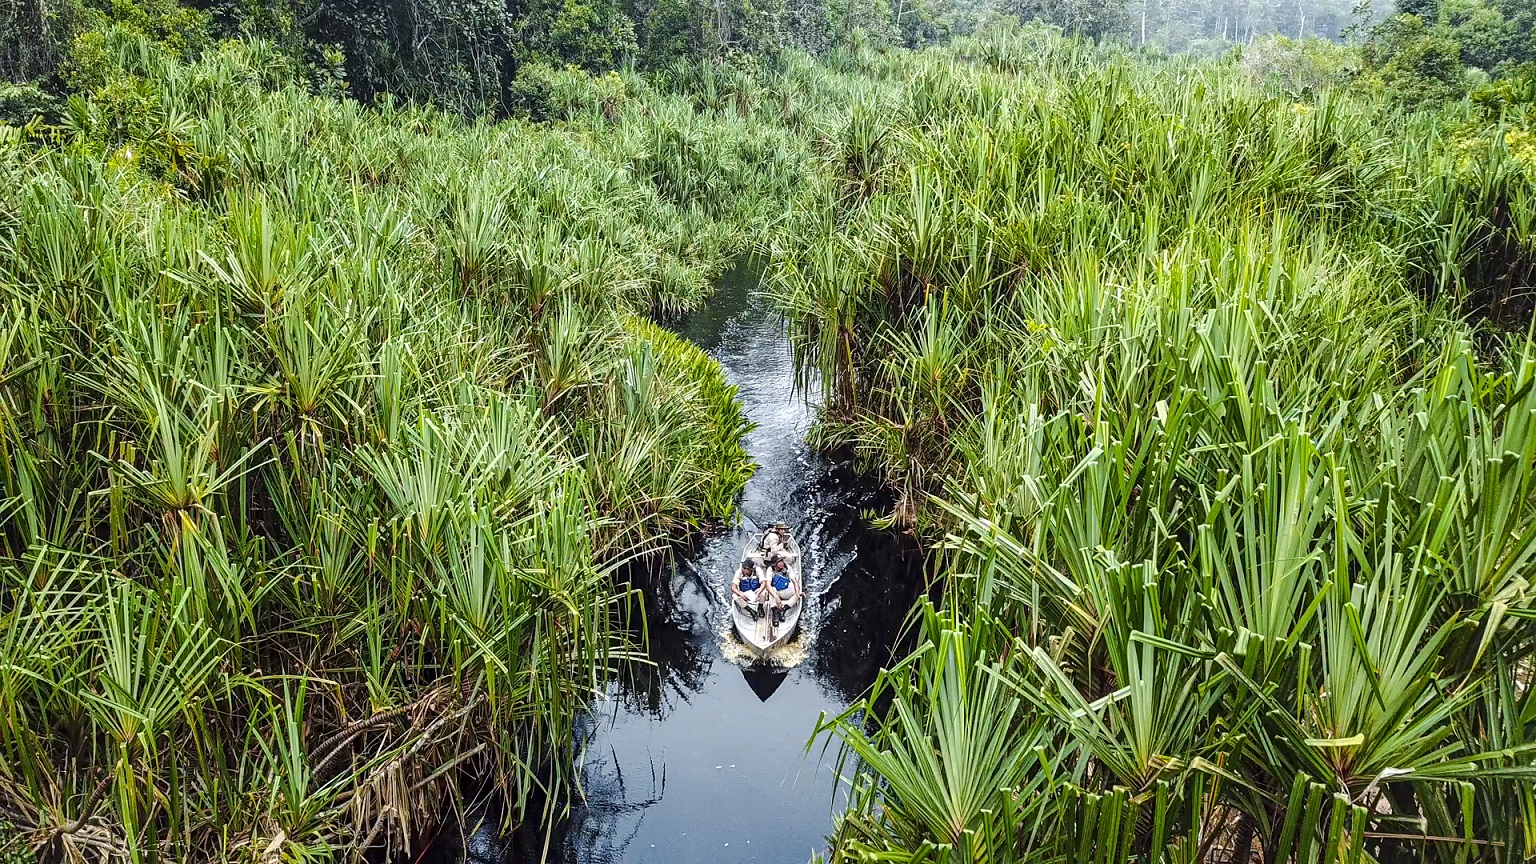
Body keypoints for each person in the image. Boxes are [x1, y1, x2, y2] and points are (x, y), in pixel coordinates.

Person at [767, 557, 800, 626]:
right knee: (771, 590)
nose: (782, 563)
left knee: (797, 594)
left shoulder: (788, 568)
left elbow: (794, 581)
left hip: (784, 590)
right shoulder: (770, 570)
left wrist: (797, 591)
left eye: (782, 561)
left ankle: (783, 609)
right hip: (775, 591)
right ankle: (775, 613)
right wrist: (776, 597)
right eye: (779, 562)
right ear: (775, 564)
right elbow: (768, 585)